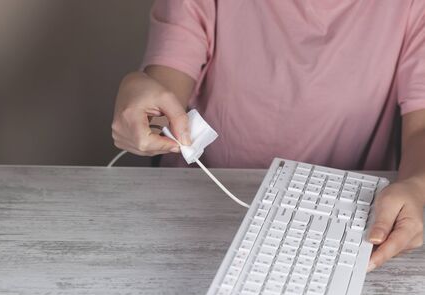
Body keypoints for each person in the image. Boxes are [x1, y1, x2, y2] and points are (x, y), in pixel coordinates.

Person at [112, 1, 424, 272]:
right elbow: (166, 92)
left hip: (345, 222)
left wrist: (418, 185)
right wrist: (145, 101)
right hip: (196, 212)